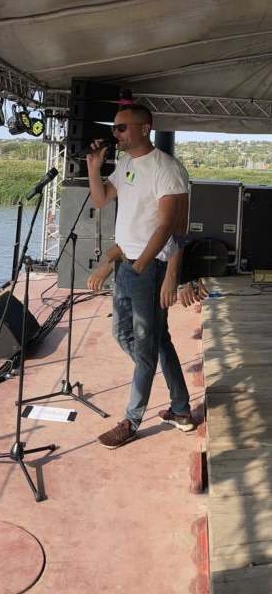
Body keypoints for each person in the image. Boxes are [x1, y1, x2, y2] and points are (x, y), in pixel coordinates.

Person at [86, 104, 192, 449]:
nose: (115, 134)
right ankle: (180, 408)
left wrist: (153, 268)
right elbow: (101, 200)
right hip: (126, 265)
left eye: (122, 128)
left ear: (145, 128)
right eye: (114, 128)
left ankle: (131, 421)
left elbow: (172, 226)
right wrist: (93, 168)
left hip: (147, 269)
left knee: (148, 347)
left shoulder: (167, 168)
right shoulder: (127, 164)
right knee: (135, 337)